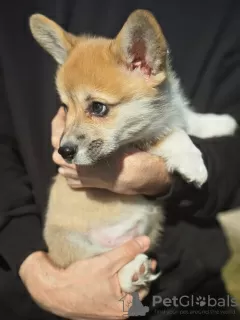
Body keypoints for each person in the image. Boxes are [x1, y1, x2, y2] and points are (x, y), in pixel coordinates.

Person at [0, 0, 240, 319]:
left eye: (97, 108)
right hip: (41, 291)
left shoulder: (221, 15)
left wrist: (163, 174)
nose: (70, 136)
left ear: (144, 62)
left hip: (186, 293)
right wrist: (39, 274)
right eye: (68, 106)